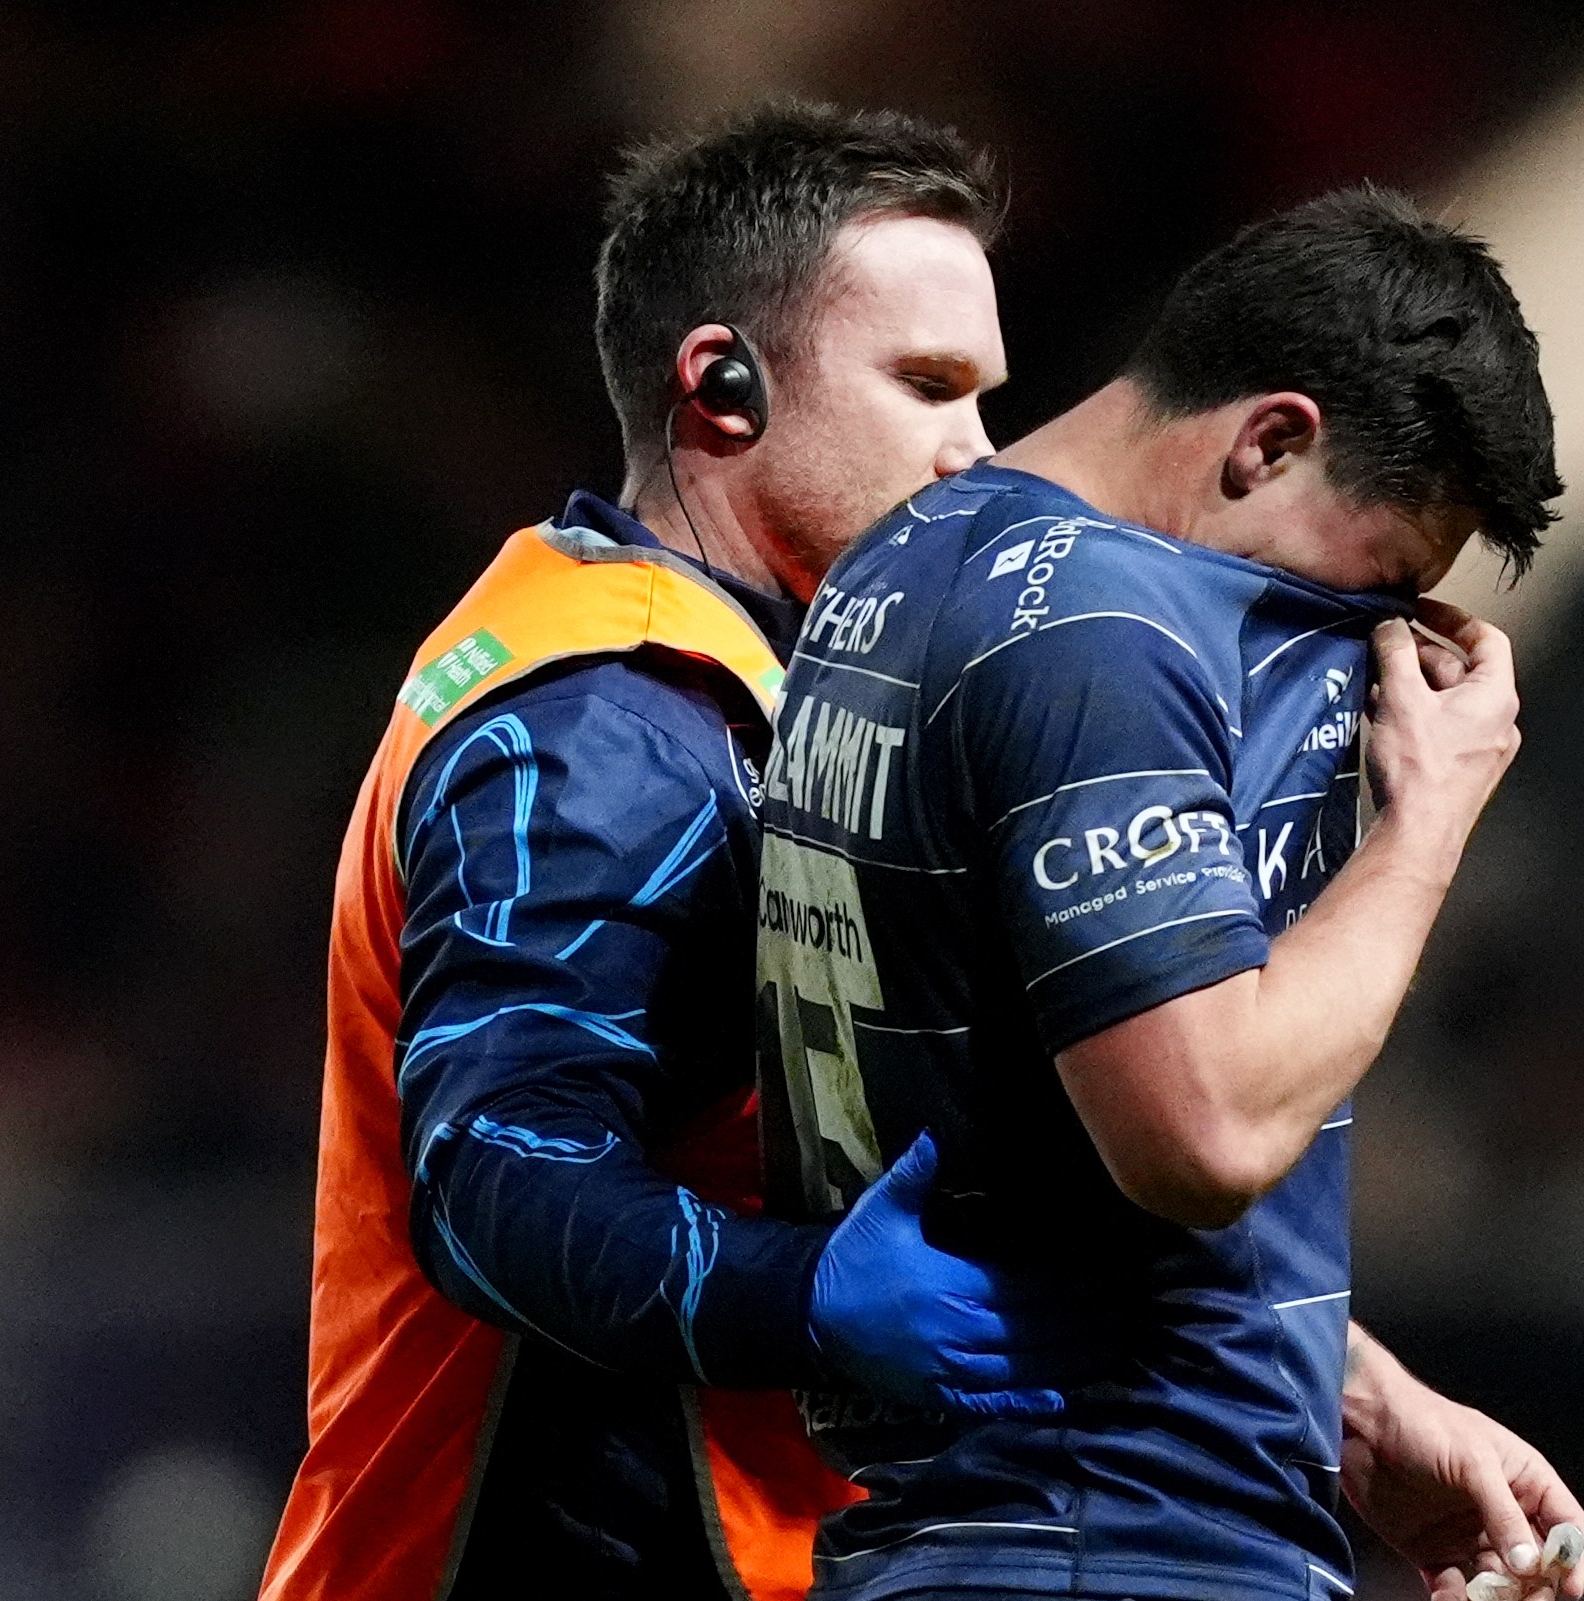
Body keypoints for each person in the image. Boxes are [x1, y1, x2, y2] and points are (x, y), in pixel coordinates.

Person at [260, 102, 1103, 1601]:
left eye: (984, 398)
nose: (975, 457)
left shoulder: (739, 692)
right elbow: (495, 1175)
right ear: (719, 384)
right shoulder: (608, 720)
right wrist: (810, 1298)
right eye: (925, 386)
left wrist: (1346, 1398)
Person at [755, 187, 1584, 1601]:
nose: (1359, 651)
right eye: (1368, 589)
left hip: (973, 1534)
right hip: (1109, 1544)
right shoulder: (1102, 625)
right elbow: (1195, 1131)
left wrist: (1341, 1388)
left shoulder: (890, 569)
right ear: (1266, 441)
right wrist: (1427, 817)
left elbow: (1028, 1124)